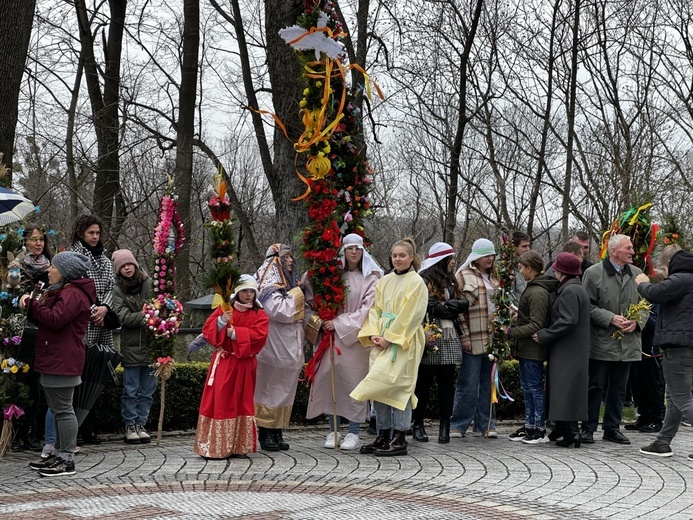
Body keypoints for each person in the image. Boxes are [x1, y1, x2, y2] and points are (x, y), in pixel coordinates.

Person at [20, 252, 96, 477]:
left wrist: (35, 304)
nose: (49, 270)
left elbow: (55, 318)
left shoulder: (73, 294)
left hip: (63, 359)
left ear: (66, 272)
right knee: (59, 408)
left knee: (63, 410)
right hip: (55, 357)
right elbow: (47, 315)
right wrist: (34, 303)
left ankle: (66, 459)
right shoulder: (65, 291)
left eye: (53, 267)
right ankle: (59, 454)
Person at [351, 238, 428, 457]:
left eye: (402, 255)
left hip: (403, 341)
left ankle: (400, 436)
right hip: (381, 337)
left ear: (411, 257)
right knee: (379, 385)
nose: (398, 259)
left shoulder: (416, 282)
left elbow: (411, 315)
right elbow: (375, 309)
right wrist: (375, 332)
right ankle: (383, 433)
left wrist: (391, 338)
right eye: (395, 255)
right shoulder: (384, 281)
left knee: (400, 386)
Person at [305, 234, 381, 451]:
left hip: (354, 340)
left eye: (358, 249)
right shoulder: (331, 276)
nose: (354, 252)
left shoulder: (371, 278)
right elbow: (312, 301)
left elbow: (367, 310)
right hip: (329, 338)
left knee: (354, 384)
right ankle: (333, 429)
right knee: (332, 383)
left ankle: (354, 431)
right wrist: (323, 321)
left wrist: (338, 323)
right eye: (350, 249)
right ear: (343, 252)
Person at [581, 234, 648, 445]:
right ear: (613, 251)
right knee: (595, 386)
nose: (632, 252)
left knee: (619, 389)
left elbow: (646, 305)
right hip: (601, 341)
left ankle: (612, 428)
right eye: (628, 248)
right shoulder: (593, 274)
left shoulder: (638, 274)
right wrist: (610, 318)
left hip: (627, 343)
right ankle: (588, 428)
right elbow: (586, 307)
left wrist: (637, 323)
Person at [194, 275, 269, 459]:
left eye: (252, 291)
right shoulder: (224, 309)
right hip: (225, 363)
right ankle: (215, 446)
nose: (249, 295)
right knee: (221, 401)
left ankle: (238, 446)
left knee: (242, 402)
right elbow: (207, 331)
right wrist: (220, 321)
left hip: (245, 364)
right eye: (245, 291)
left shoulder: (259, 314)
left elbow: (260, 336)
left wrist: (235, 333)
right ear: (237, 292)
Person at [637, 246, 693, 459]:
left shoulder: (681, 279)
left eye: (665, 266)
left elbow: (654, 294)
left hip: (678, 346)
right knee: (677, 396)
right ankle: (662, 442)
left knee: (680, 397)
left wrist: (641, 282)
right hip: (687, 345)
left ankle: (662, 442)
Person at [533, 253, 591, 447]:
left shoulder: (570, 291)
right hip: (572, 347)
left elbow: (568, 321)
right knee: (565, 388)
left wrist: (544, 334)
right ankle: (565, 429)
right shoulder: (575, 288)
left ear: (562, 272)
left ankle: (572, 433)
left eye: (557, 269)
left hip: (568, 348)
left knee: (566, 388)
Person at [413, 242, 468, 444]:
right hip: (430, 333)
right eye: (451, 258)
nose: (454, 262)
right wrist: (447, 308)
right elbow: (431, 305)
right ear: (442, 260)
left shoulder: (452, 281)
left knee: (447, 384)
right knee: (423, 383)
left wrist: (449, 305)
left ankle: (445, 425)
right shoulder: (423, 279)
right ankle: (417, 423)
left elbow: (464, 302)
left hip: (450, 336)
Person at [253, 244, 305, 451]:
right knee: (269, 388)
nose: (291, 261)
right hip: (273, 344)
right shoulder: (268, 285)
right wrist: (299, 293)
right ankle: (265, 430)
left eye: (292, 257)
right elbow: (281, 311)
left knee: (285, 388)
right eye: (286, 257)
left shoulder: (289, 285)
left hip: (290, 344)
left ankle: (277, 429)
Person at [70, 214, 116, 444]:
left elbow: (110, 287)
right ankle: (75, 427)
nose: (95, 237)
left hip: (102, 322)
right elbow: (74, 290)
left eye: (98, 233)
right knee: (79, 374)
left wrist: (105, 308)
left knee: (97, 373)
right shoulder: (74, 258)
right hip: (83, 323)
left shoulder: (106, 260)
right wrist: (92, 310)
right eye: (91, 233)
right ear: (81, 233)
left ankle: (90, 424)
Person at [505, 251, 558, 444]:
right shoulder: (533, 288)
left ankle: (539, 428)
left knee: (534, 388)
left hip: (533, 349)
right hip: (526, 348)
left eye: (521, 267)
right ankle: (529, 425)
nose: (520, 271)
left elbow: (536, 324)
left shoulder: (537, 292)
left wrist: (511, 332)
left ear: (529, 268)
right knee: (527, 388)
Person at [450, 238, 498, 438]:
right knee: (468, 383)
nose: (490, 258)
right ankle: (459, 424)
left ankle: (487, 424)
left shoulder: (496, 276)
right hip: (473, 337)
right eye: (486, 255)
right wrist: (464, 336)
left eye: (492, 255)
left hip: (493, 339)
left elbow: (504, 304)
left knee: (490, 383)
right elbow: (458, 310)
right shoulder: (463, 275)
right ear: (477, 256)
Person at [15, 224, 53, 452]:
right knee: (18, 381)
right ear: (24, 242)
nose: (38, 244)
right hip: (18, 332)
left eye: (41, 239)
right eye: (33, 239)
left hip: (40, 331)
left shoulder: (51, 269)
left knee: (34, 384)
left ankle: (31, 430)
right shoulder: (16, 268)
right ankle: (16, 430)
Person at [111, 249, 156, 445]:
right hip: (131, 346)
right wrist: (147, 315)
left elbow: (159, 303)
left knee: (147, 390)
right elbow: (123, 317)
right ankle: (130, 424)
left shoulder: (148, 282)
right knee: (131, 390)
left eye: (129, 264)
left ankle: (141, 424)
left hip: (153, 344)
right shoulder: (118, 290)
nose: (127, 268)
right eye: (123, 266)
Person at [625, 270, 665, 434]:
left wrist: (642, 317)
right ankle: (642, 416)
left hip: (651, 350)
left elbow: (656, 323)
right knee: (638, 383)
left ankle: (655, 418)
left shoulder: (658, 301)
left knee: (652, 385)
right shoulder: (643, 299)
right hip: (638, 348)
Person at [511, 231, 531, 302]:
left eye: (528, 246)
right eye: (524, 246)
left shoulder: (527, 264)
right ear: (514, 247)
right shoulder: (507, 266)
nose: (527, 249)